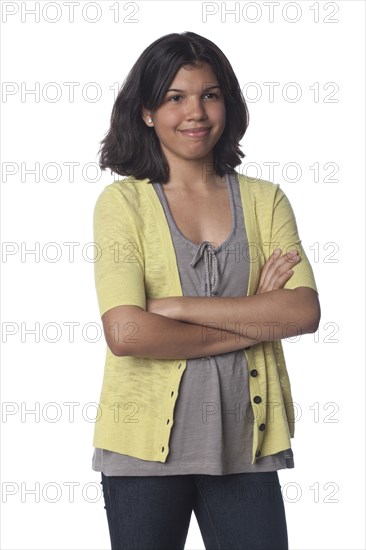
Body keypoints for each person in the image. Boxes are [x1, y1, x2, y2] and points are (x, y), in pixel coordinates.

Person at [92, 31, 321, 550]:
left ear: (228, 104)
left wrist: (174, 309)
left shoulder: (266, 201)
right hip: (140, 455)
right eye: (176, 97)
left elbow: (303, 311)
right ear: (147, 111)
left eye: (209, 94)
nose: (195, 111)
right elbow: (127, 332)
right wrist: (255, 317)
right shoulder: (122, 204)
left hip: (248, 445)